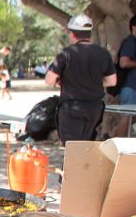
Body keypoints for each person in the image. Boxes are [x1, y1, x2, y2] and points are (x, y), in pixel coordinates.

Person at [45, 14, 116, 144]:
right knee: (87, 146)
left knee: (72, 148)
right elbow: (112, 81)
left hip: (72, 108)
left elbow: (49, 80)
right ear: (89, 34)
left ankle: (72, 165)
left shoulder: (66, 54)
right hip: (94, 108)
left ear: (72, 34)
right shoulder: (103, 53)